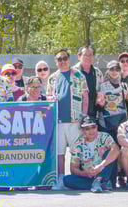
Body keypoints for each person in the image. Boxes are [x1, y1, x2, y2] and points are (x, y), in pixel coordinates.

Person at [47, 49, 88, 184]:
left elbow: (85, 97)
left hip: (75, 120)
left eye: (65, 58)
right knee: (60, 152)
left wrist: (84, 116)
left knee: (76, 151)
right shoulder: (52, 78)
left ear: (69, 59)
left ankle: (76, 178)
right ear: (56, 61)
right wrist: (50, 99)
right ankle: (60, 179)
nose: (62, 61)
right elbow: (48, 97)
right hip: (58, 121)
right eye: (59, 59)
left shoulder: (79, 75)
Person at [61, 115, 119, 193]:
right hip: (89, 177)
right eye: (87, 129)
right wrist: (85, 173)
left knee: (110, 152)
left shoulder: (105, 136)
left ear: (97, 127)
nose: (91, 131)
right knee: (66, 180)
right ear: (83, 130)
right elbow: (73, 169)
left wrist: (100, 166)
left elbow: (116, 150)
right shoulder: (78, 144)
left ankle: (99, 181)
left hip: (106, 174)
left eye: (93, 127)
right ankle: (99, 184)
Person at [96, 61, 128, 143]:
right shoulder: (102, 86)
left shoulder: (124, 86)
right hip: (106, 123)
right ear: (108, 71)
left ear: (120, 71)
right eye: (112, 69)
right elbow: (98, 106)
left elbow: (127, 104)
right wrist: (101, 104)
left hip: (121, 123)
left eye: (117, 69)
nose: (114, 72)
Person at [73, 47, 103, 119]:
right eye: (85, 55)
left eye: (90, 55)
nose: (88, 57)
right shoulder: (73, 72)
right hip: (77, 113)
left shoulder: (98, 73)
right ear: (79, 56)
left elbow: (101, 91)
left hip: (94, 113)